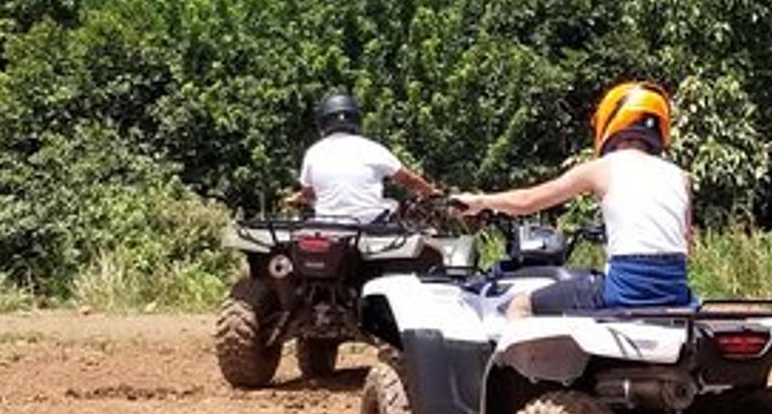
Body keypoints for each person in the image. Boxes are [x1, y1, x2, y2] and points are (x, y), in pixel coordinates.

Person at [452, 81, 694, 316]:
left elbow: (527, 201)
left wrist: (479, 201)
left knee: (520, 306)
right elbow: (687, 244)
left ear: (612, 118)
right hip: (676, 292)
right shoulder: (681, 177)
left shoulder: (603, 168)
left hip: (625, 291)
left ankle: (519, 359)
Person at [289, 90, 438, 223]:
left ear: (323, 122)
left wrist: (294, 198)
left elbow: (308, 193)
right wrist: (431, 192)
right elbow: (408, 179)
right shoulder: (373, 148)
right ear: (356, 119)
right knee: (393, 204)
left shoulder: (313, 152)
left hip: (327, 226)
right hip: (370, 225)